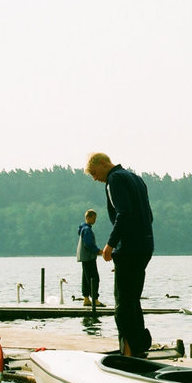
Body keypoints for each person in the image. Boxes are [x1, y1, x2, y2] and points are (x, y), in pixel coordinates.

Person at [85, 153, 154, 357]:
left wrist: (110, 244)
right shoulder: (136, 178)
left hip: (129, 247)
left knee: (122, 302)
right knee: (134, 299)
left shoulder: (114, 179)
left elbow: (123, 213)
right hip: (145, 245)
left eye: (95, 173)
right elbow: (148, 215)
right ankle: (139, 344)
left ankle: (129, 350)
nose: (95, 179)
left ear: (103, 164)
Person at [76, 209, 105, 307]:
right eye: (93, 218)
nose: (95, 220)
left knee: (86, 279)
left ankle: (86, 298)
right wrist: (98, 251)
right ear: (88, 217)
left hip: (84, 258)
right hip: (89, 258)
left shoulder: (83, 228)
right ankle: (95, 300)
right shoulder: (87, 230)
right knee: (94, 278)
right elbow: (89, 244)